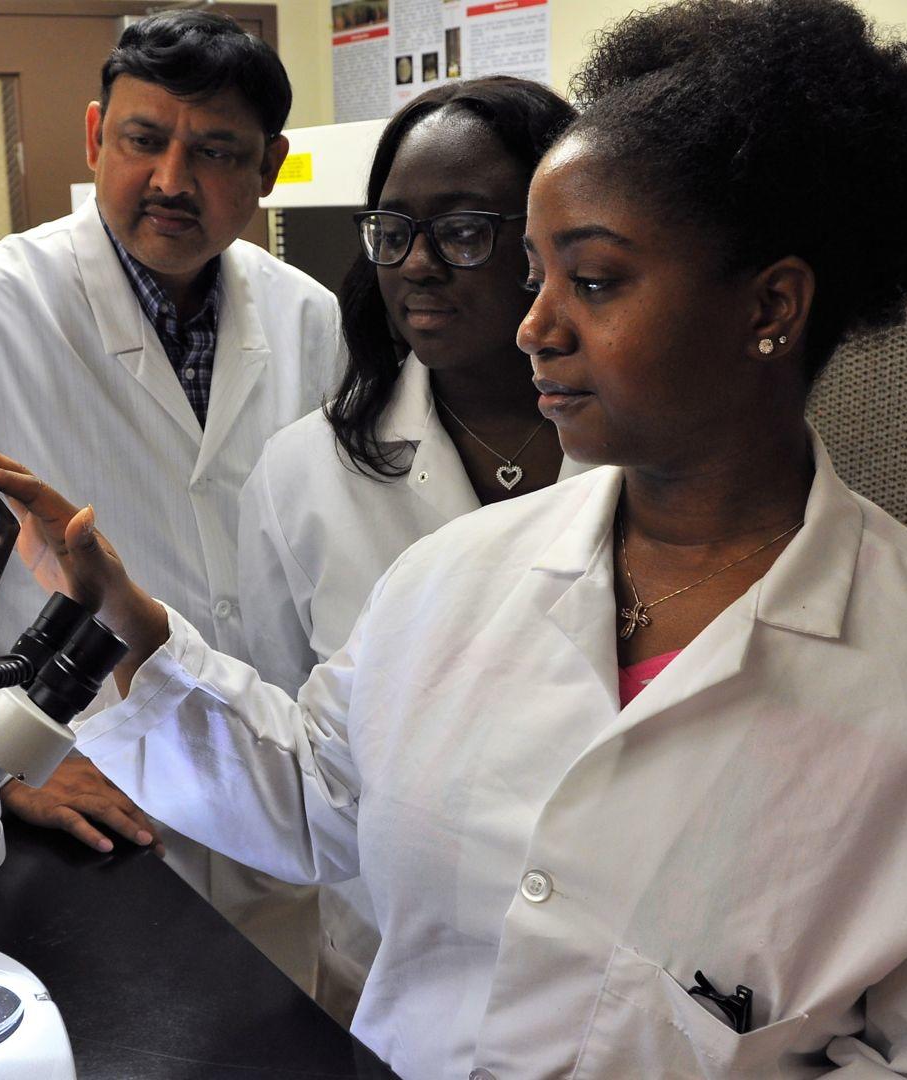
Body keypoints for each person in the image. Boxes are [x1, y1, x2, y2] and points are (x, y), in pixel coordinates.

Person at [0, 0, 907, 1075]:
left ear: (770, 308)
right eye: (540, 271)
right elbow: (318, 801)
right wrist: (129, 629)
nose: (535, 325)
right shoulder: (452, 580)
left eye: (595, 280)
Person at [0, 11, 337, 989]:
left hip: (274, 809)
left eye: (217, 151)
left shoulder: (312, 318)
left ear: (270, 168)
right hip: (85, 815)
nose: (173, 180)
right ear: (96, 136)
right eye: (144, 139)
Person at [238, 78, 580, 1022]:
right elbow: (288, 750)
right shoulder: (300, 477)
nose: (418, 264)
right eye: (393, 231)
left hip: (600, 985)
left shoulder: (638, 462)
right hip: (391, 972)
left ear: (552, 239)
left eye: (465, 230)